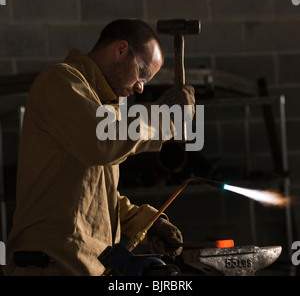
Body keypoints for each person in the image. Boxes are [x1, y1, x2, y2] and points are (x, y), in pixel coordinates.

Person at [3, 19, 195, 276]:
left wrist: (146, 223)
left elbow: (93, 197)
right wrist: (166, 117)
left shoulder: (103, 107)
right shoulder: (61, 81)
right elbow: (102, 142)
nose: (140, 87)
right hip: (50, 267)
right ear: (121, 50)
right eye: (143, 74)